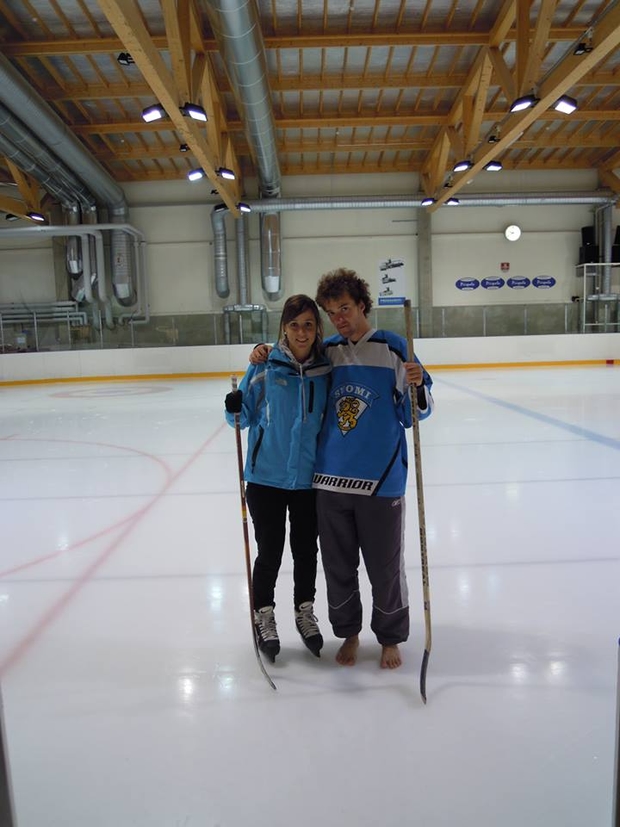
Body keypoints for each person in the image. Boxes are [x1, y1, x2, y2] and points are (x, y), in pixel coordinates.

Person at [251, 268, 434, 670]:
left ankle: (389, 636)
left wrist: (417, 384)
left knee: (385, 568)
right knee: (338, 567)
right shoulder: (327, 352)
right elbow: (292, 362)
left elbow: (414, 415)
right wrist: (261, 352)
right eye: (332, 312)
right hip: (329, 481)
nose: (339, 318)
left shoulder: (393, 347)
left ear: (363, 305)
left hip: (381, 481)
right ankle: (349, 632)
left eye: (345, 308)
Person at [225, 295, 331, 663]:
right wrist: (233, 407)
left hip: (308, 480)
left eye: (308, 325)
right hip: (266, 478)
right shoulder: (265, 366)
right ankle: (264, 614)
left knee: (306, 551)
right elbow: (242, 419)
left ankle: (304, 611)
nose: (302, 332)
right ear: (283, 327)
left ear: (317, 328)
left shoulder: (325, 369)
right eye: (294, 324)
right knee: (269, 552)